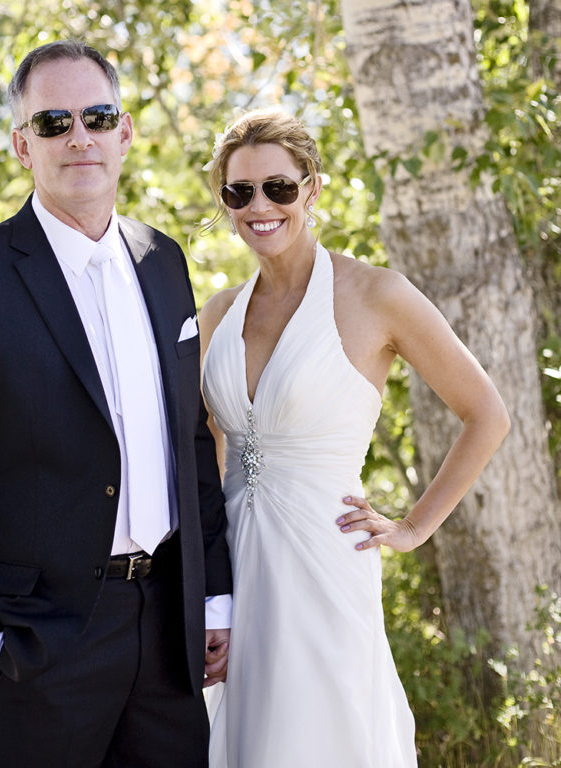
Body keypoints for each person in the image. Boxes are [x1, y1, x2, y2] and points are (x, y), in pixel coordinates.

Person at [0, 40, 233, 768]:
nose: (79, 137)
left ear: (125, 131)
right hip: (37, 644)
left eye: (97, 116)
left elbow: (191, 441)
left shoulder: (163, 259)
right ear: (22, 144)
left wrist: (214, 599)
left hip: (168, 632)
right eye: (54, 123)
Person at [198, 108, 510, 767]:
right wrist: (204, 586)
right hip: (233, 572)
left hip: (325, 565)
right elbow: (206, 452)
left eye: (279, 187)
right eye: (240, 192)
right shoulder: (217, 314)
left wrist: (414, 527)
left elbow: (487, 414)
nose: (260, 206)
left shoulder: (377, 295)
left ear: (311, 187)